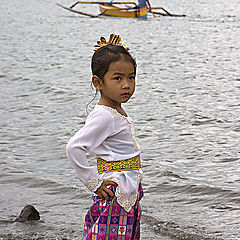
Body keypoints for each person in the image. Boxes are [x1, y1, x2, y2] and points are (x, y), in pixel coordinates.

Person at [66, 34, 143, 240]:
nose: (126, 85)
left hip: (125, 189)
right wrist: (93, 182)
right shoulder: (104, 116)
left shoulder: (115, 111)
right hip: (115, 192)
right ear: (98, 83)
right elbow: (74, 147)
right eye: (117, 78)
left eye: (131, 77)